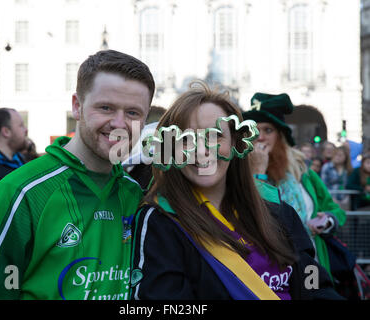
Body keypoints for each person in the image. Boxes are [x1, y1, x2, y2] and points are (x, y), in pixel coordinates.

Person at [0, 49, 155, 300]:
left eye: (133, 113)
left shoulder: (133, 194)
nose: (119, 123)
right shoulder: (21, 192)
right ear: (77, 106)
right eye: (105, 108)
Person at [131, 82, 341, 300]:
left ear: (236, 142)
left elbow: (313, 278)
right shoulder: (160, 222)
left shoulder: (278, 210)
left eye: (215, 136)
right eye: (186, 139)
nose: (202, 151)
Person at [242, 92, 346, 281]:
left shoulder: (302, 171)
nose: (260, 138)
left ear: (281, 135)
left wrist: (327, 220)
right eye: (254, 131)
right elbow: (254, 218)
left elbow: (334, 209)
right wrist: (258, 172)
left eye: (268, 130)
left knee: (313, 293)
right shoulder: (239, 173)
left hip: (310, 264)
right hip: (268, 272)